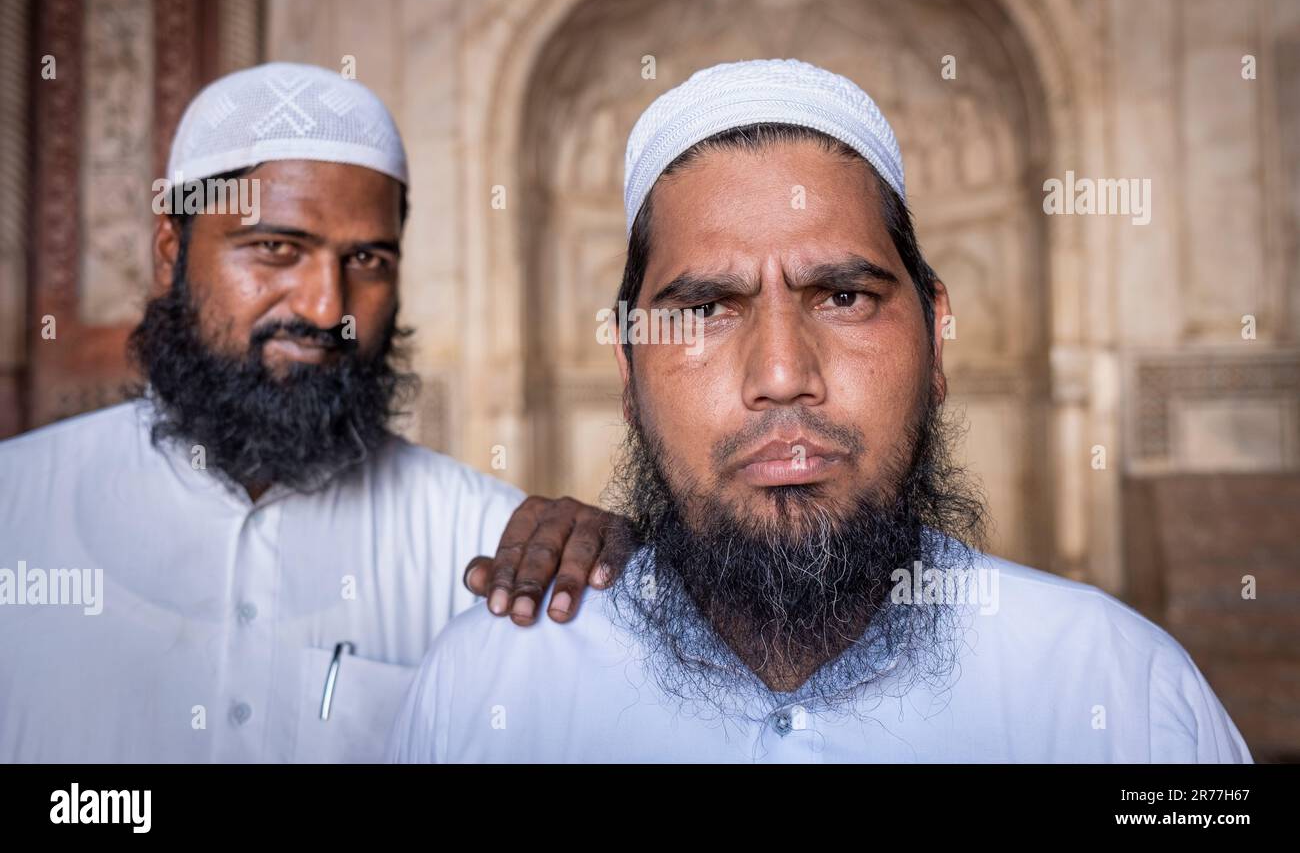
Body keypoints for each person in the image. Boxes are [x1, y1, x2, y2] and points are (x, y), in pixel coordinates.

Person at [387, 59, 1252, 763]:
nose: (781, 373)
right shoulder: (489, 689)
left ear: (936, 339)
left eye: (842, 296)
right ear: (626, 366)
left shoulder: (1119, 692)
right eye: (703, 310)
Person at [0, 63, 613, 762]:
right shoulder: (15, 510)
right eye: (276, 249)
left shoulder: (493, 552)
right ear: (171, 251)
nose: (327, 307)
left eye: (367, 260)